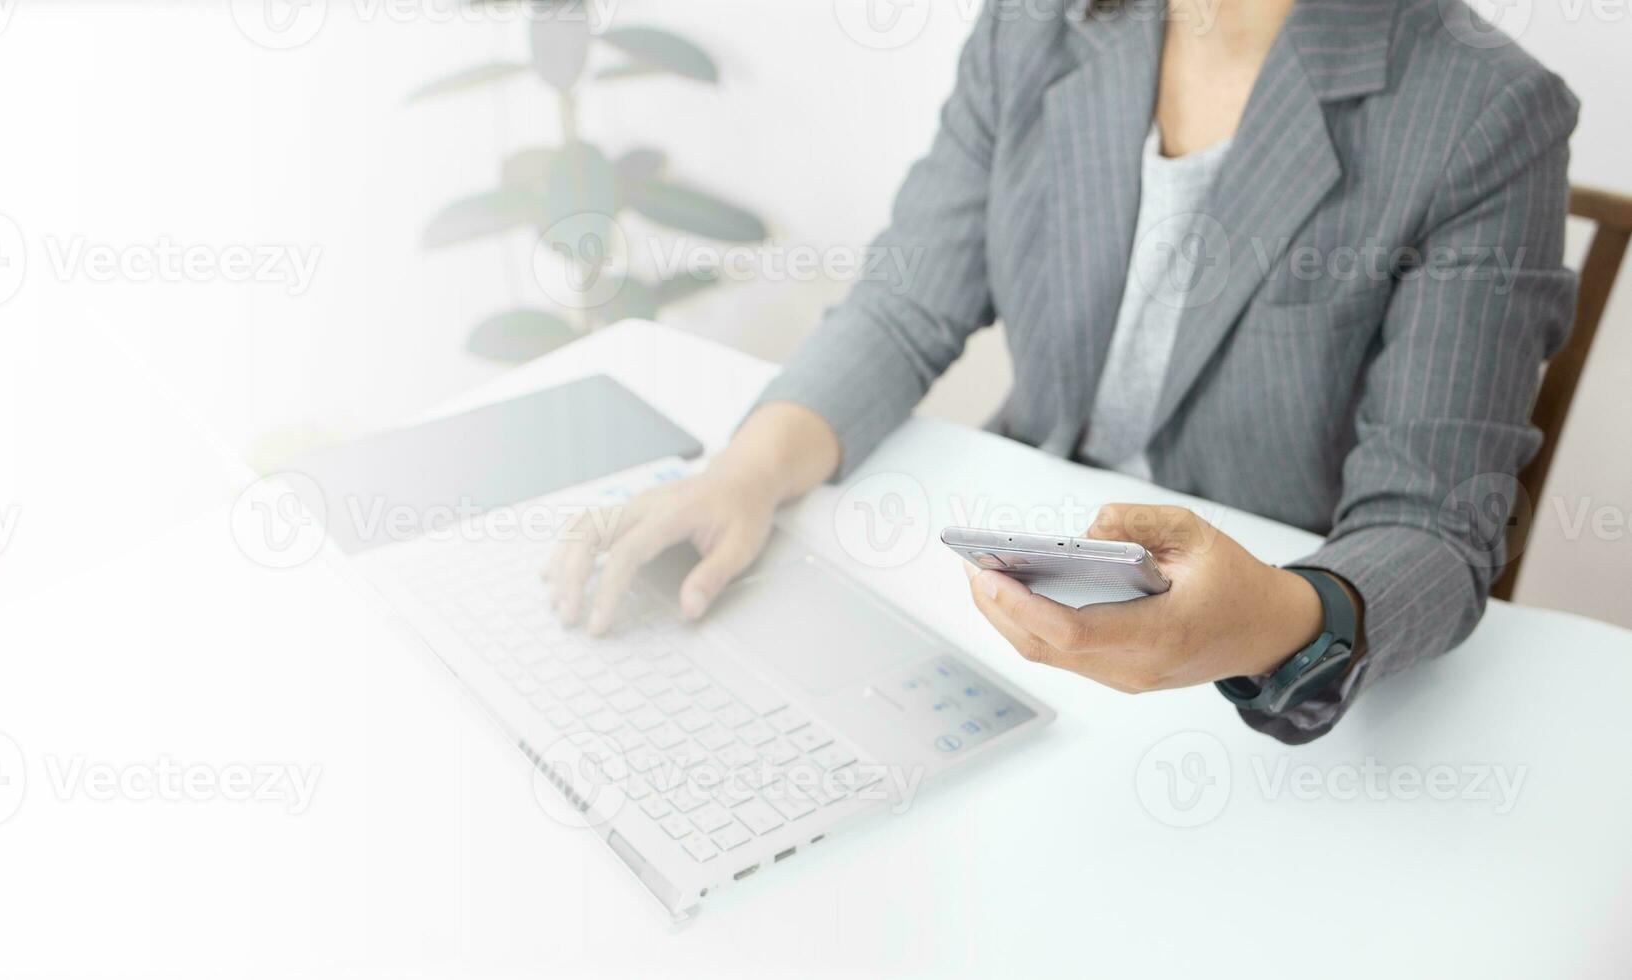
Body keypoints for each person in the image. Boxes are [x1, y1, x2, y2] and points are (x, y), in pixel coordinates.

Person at [543, 0, 1580, 744]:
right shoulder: (1032, 26)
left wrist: (1269, 622)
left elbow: (1437, 524)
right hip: (1019, 580)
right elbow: (907, 304)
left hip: (1247, 637)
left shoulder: (1484, 111)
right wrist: (744, 473)